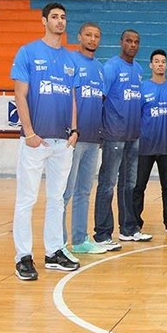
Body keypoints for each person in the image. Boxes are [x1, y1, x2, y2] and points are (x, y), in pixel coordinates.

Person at [11, 2, 80, 281]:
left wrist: (74, 130)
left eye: (63, 17)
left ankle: (53, 252)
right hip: (35, 142)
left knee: (56, 199)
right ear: (43, 21)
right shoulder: (27, 52)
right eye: (54, 17)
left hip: (62, 142)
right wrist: (29, 132)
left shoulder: (70, 59)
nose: (60, 21)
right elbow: (20, 94)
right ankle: (23, 256)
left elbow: (72, 98)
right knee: (26, 199)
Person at [93, 29, 152, 247]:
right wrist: (100, 130)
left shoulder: (138, 69)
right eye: (129, 41)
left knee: (129, 184)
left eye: (136, 42)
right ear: (121, 42)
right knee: (107, 184)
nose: (133, 45)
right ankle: (102, 234)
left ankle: (128, 228)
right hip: (114, 135)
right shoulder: (111, 67)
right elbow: (100, 98)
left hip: (132, 136)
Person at [62, 22, 109, 255]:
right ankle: (59, 244)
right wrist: (71, 129)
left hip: (93, 140)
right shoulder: (69, 62)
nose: (92, 39)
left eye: (96, 36)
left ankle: (80, 240)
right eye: (88, 35)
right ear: (79, 37)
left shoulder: (100, 68)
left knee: (83, 192)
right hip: (73, 140)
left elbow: (99, 102)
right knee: (64, 193)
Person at [132, 49, 167, 236]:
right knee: (139, 186)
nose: (160, 64)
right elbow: (135, 115)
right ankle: (135, 223)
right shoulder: (142, 87)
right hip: (144, 146)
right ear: (150, 65)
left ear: (166, 65)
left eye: (163, 61)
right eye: (157, 61)